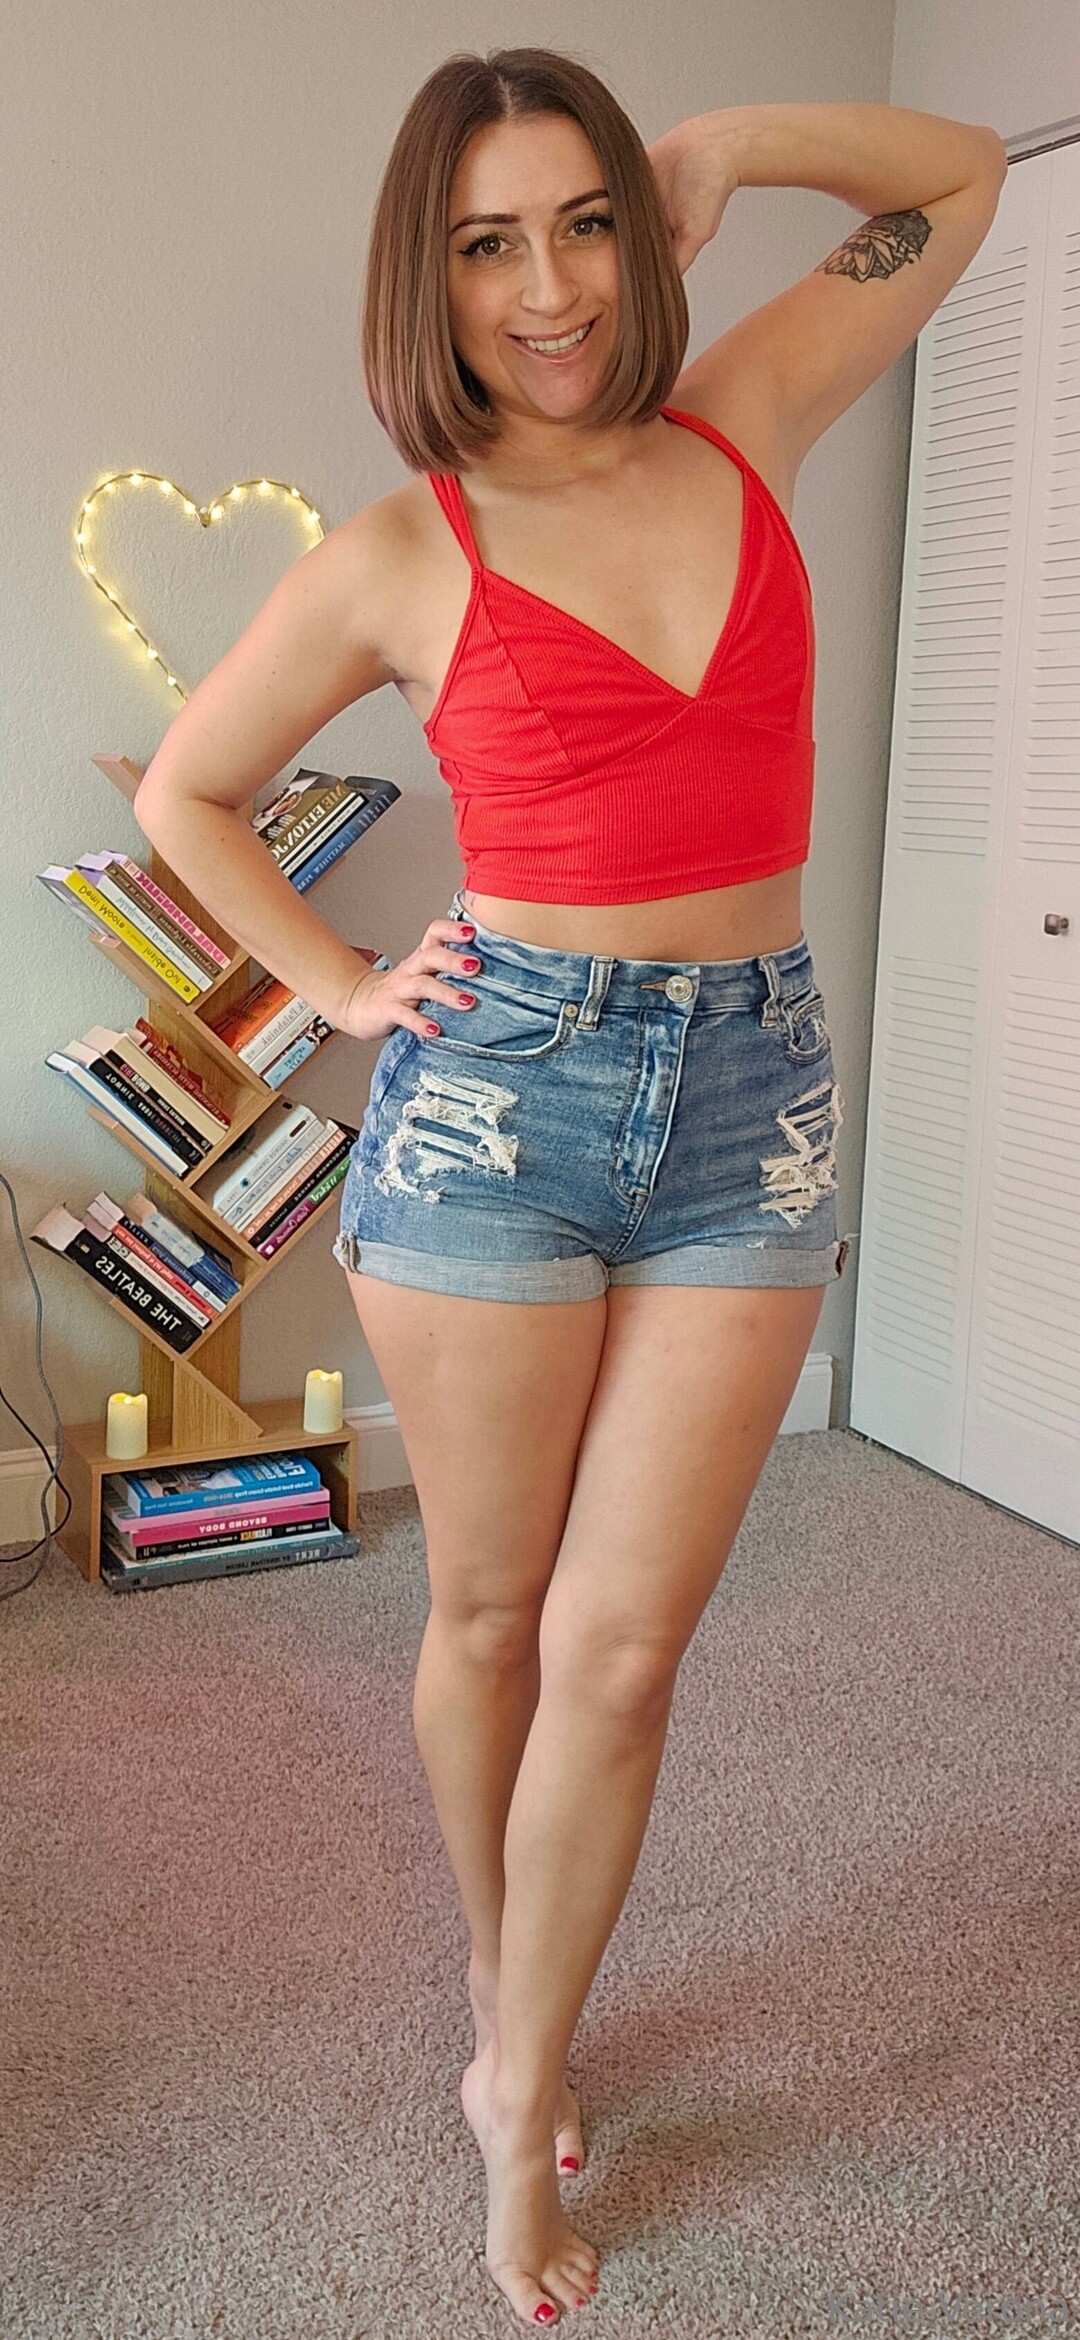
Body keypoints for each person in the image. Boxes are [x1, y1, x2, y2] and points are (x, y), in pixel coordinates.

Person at [133, 49, 1006, 2327]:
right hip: (497, 1109)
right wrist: (343, 982)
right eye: (489, 243)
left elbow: (957, 179)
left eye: (587, 220)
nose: (550, 287)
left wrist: (725, 152)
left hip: (753, 1100)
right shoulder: (400, 549)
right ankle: (504, 1990)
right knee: (495, 1618)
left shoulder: (746, 414)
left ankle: (518, 2074)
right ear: (427, 279)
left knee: (624, 1650)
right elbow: (189, 795)